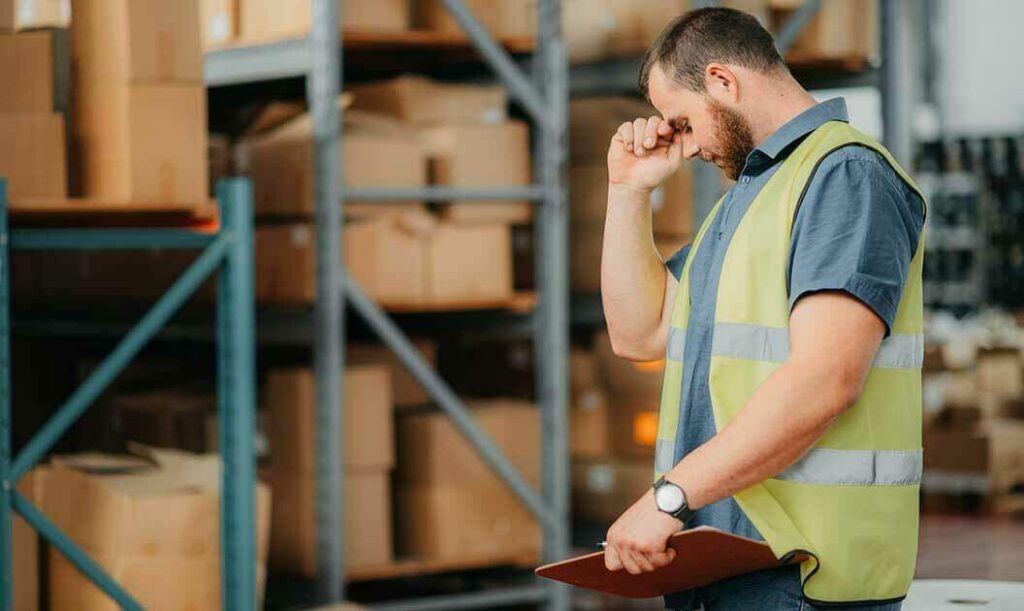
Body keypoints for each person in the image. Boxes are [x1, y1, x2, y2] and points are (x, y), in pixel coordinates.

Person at [599, 7, 926, 611]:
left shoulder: (844, 175)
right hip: (725, 562)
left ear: (722, 81)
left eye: (683, 121)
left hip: (803, 577)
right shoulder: (749, 199)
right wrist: (628, 193)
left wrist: (670, 498)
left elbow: (825, 379)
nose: (686, 145)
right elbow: (639, 334)